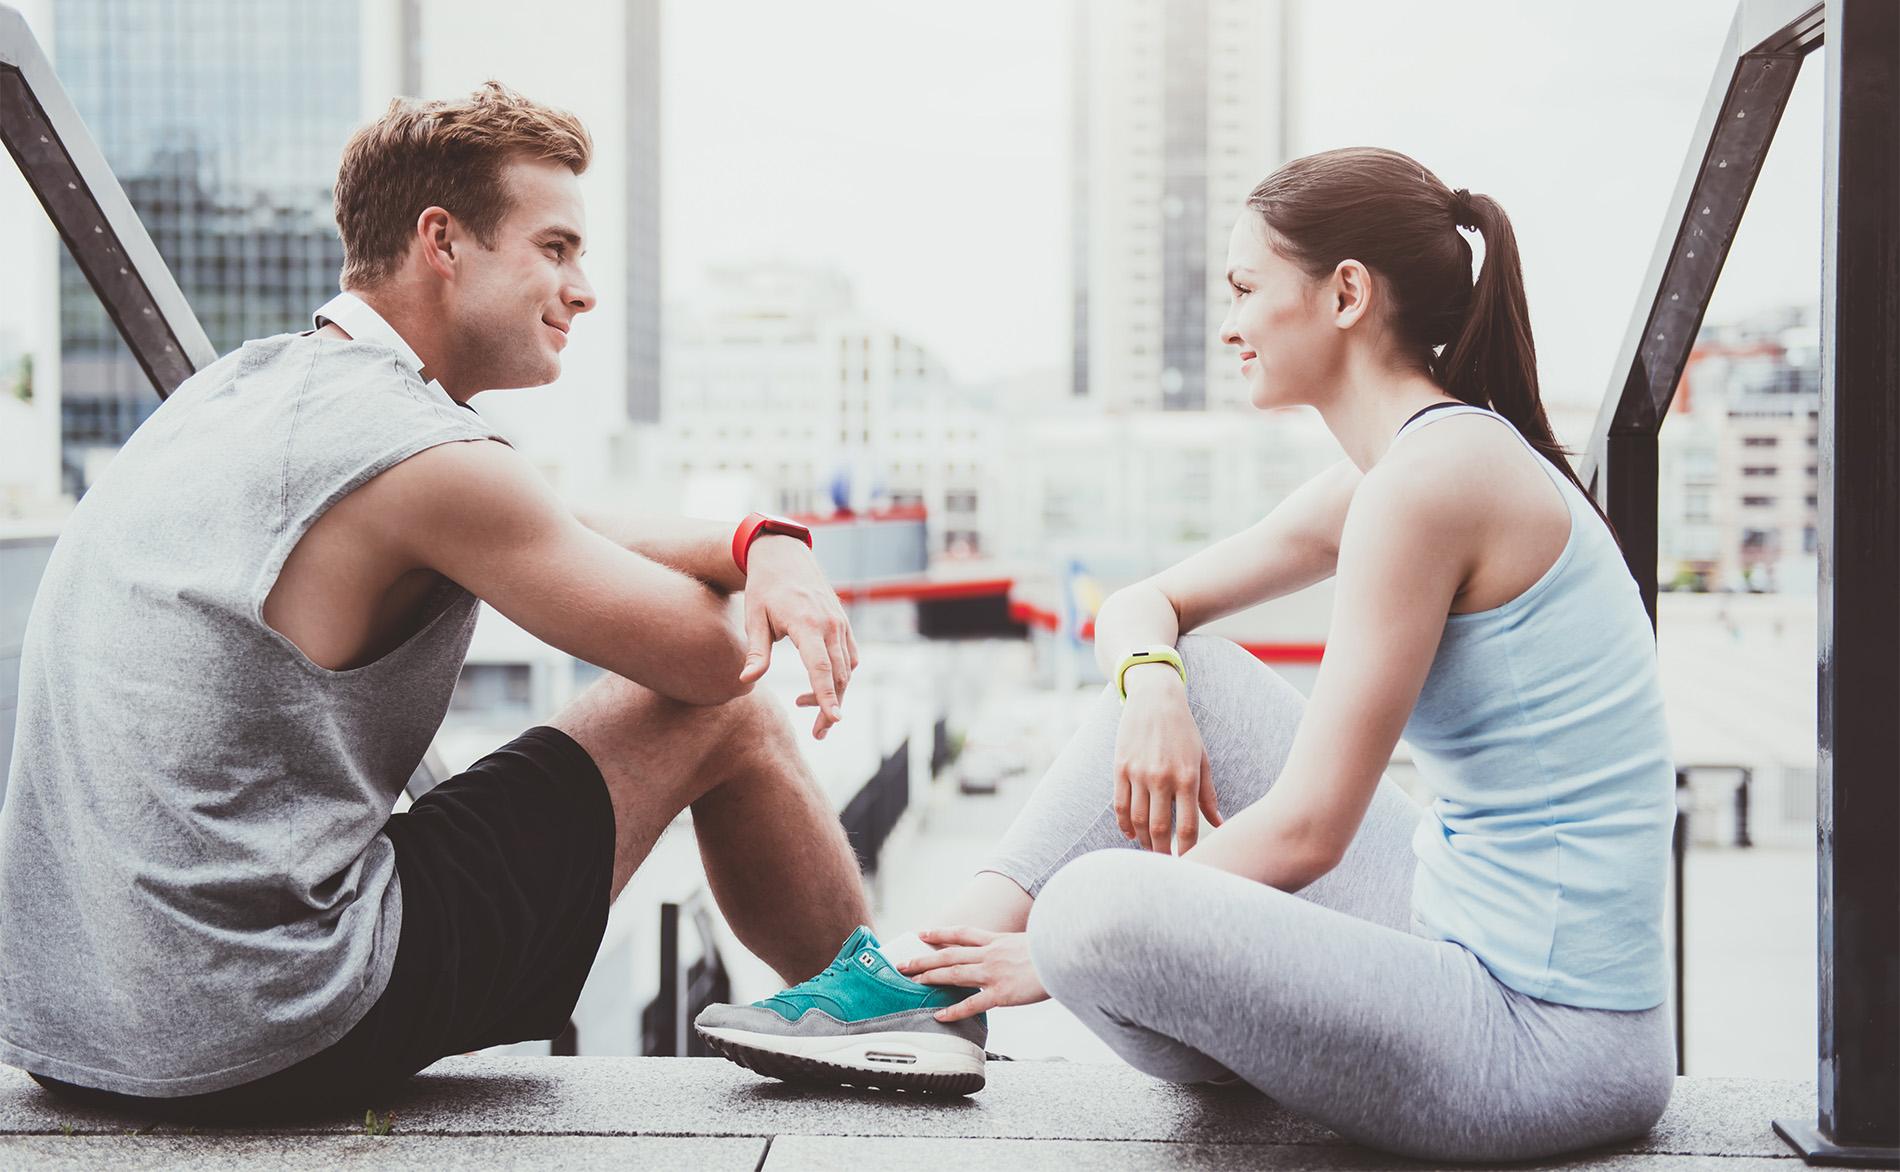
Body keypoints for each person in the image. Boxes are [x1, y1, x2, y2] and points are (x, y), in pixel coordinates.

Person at [696, 147, 1679, 1165]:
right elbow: (1143, 601)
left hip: (1548, 1044)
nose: (1228, 324)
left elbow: (1309, 829)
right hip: (1460, 932)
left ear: (1346, 293)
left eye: (1246, 289)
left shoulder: (1429, 484)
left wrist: (1053, 951)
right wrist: (1152, 684)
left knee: (1091, 909)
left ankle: (935, 982)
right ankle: (914, 979)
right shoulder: (1416, 464)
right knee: (1197, 671)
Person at [0, 81, 871, 1121]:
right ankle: (879, 1021)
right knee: (728, 714)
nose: (582, 288)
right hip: (270, 1020)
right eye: (554, 249)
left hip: (71, 1030)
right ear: (441, 242)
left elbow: (558, 523)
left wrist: (757, 540)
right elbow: (715, 660)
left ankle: (862, 1004)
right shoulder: (425, 459)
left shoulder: (240, 393)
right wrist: (752, 581)